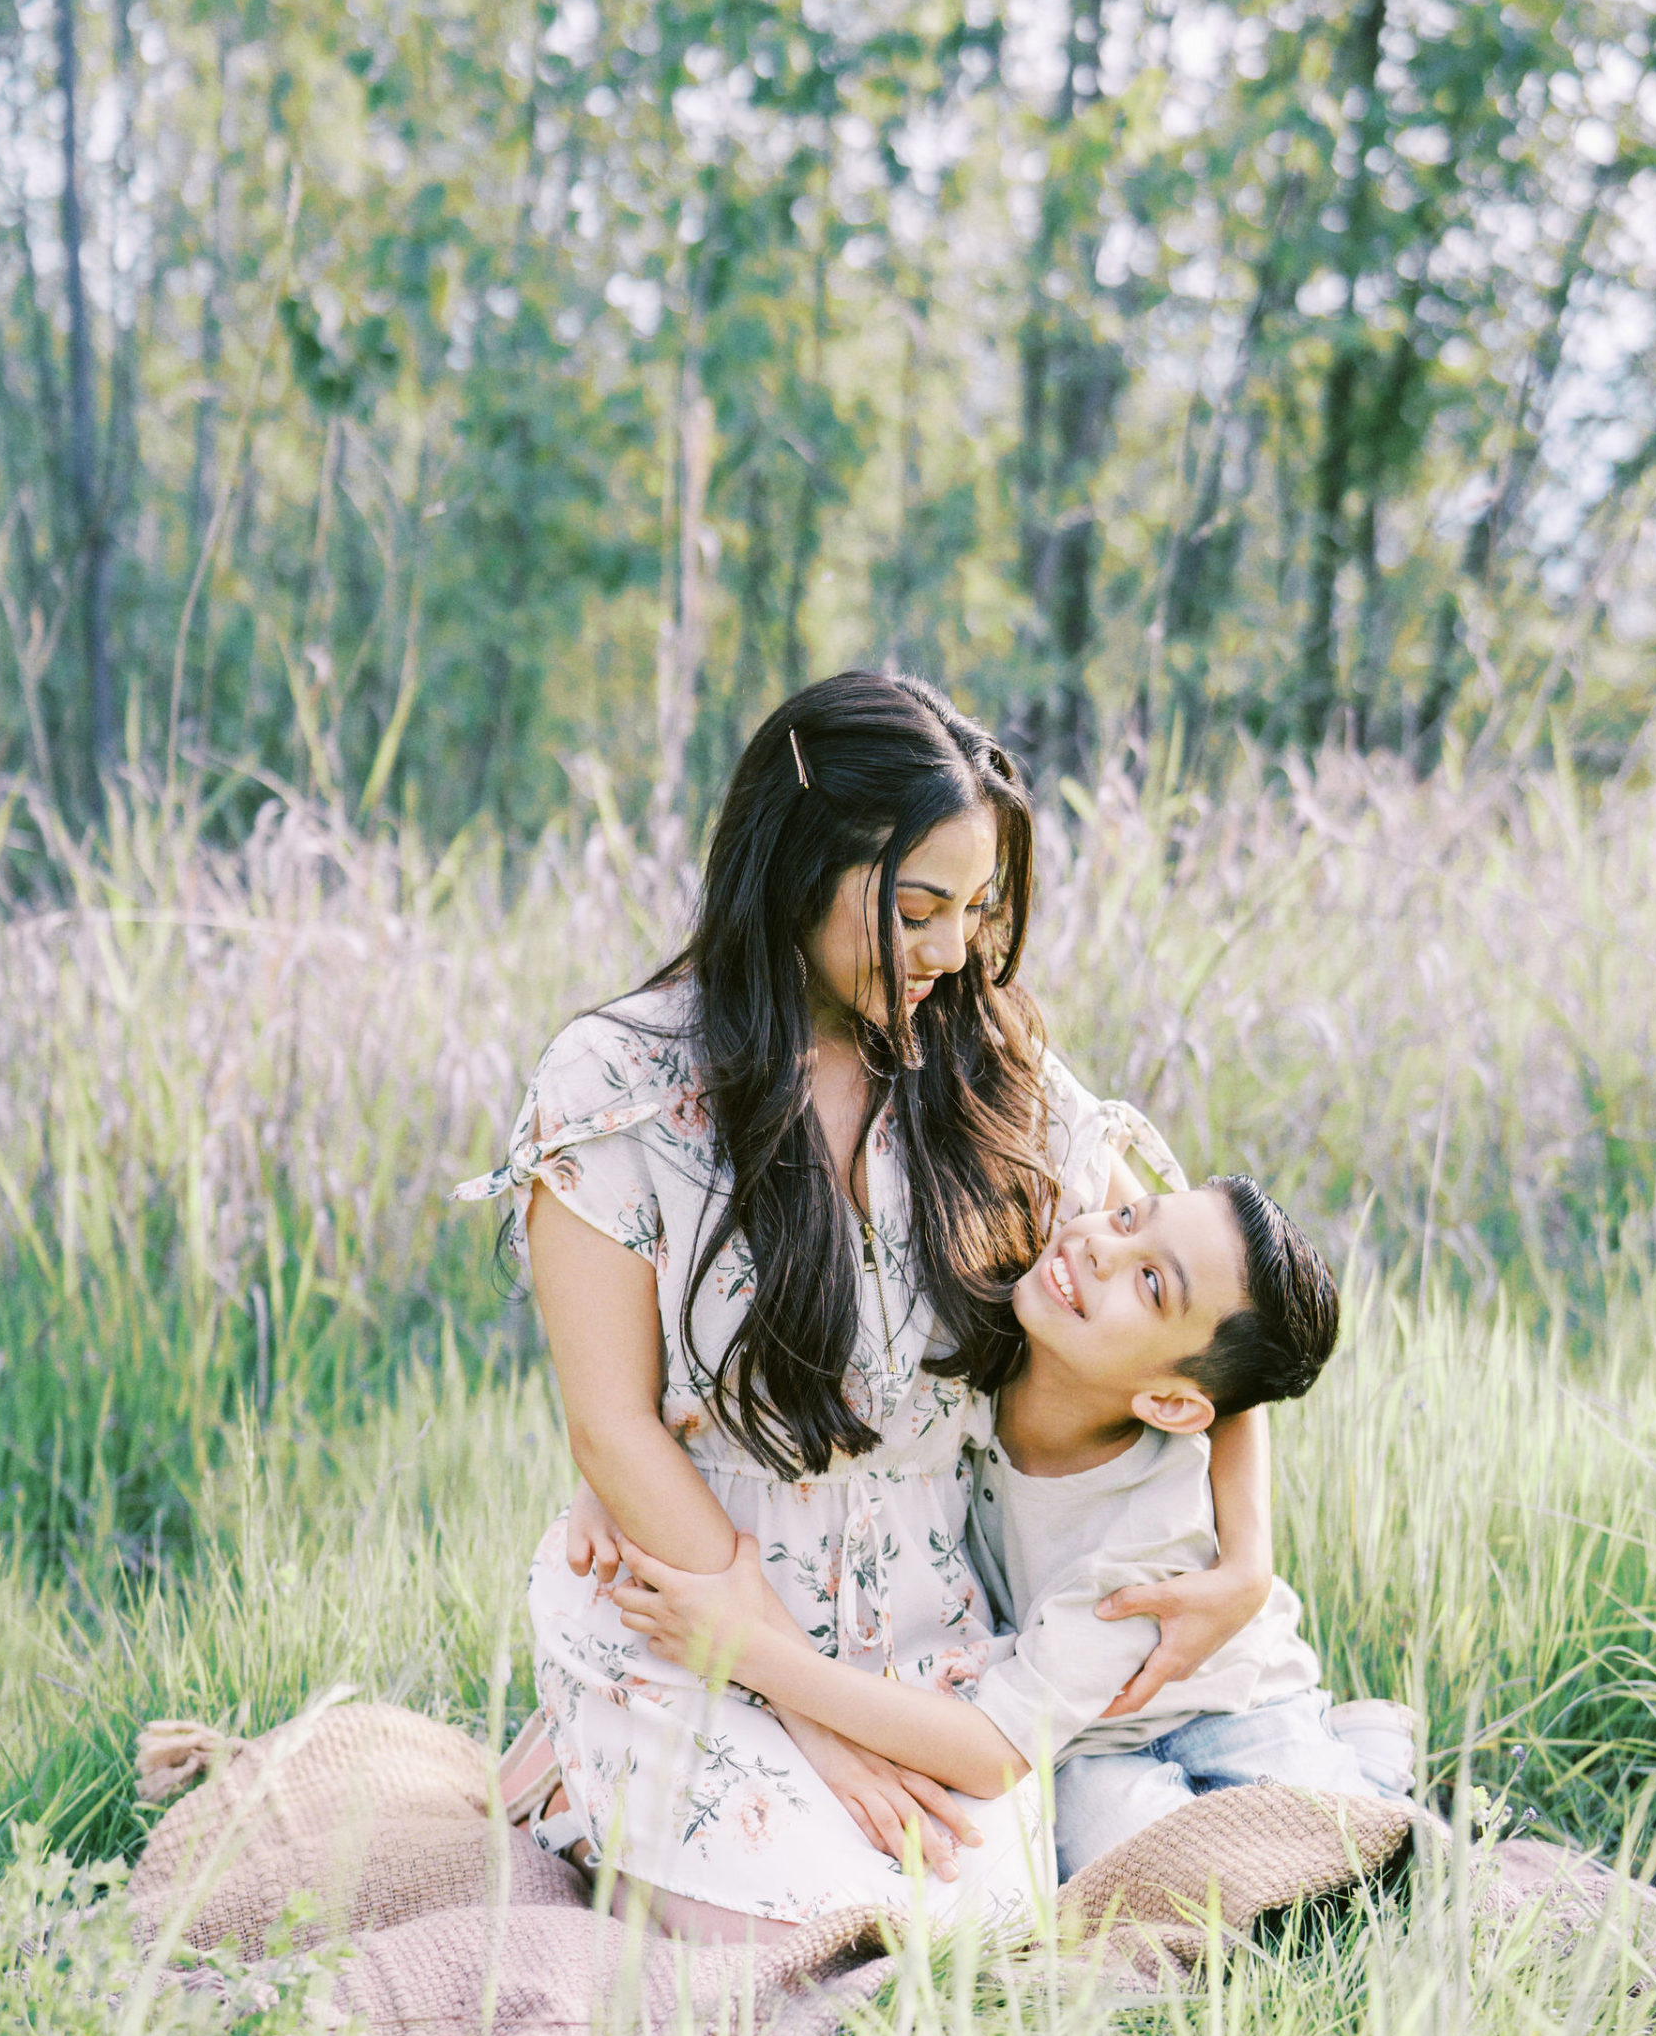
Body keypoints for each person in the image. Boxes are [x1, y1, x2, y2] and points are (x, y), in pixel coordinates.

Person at [454, 671, 1276, 1937]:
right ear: (793, 868)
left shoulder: (989, 1067)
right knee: (804, 1938)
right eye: (917, 908)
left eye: (978, 909)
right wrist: (797, 1712)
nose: (953, 952)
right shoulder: (618, 1083)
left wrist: (1247, 1551)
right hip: (692, 1599)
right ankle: (582, 1774)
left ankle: (610, 1805)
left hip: (921, 1637)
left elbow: (1208, 1299)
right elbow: (611, 1431)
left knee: (964, 1944)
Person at [615, 1177, 1414, 1888]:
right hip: (1087, 1738)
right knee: (1124, 1860)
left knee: (1338, 1855)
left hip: (1229, 1707)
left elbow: (992, 1752)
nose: (1102, 1243)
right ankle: (1358, 1757)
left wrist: (746, 1652)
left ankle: (1369, 1774)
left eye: (1148, 1281)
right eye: (1129, 1214)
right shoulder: (1017, 1333)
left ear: (1170, 1406)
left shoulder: (1148, 1540)